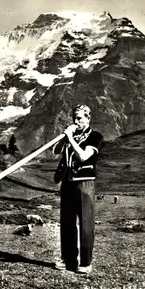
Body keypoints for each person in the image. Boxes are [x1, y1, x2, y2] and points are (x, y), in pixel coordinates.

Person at [52, 104, 103, 274]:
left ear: (88, 118)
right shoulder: (71, 135)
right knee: (67, 223)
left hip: (84, 182)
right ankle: (68, 259)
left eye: (80, 118)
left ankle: (86, 262)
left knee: (86, 223)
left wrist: (71, 139)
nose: (76, 121)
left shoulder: (95, 136)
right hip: (67, 182)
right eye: (74, 118)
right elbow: (55, 150)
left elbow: (83, 156)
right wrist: (65, 136)